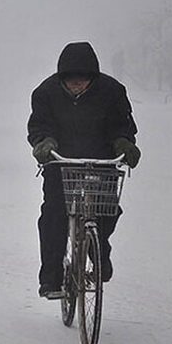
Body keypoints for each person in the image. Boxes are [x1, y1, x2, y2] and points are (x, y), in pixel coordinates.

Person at [27, 41, 141, 298]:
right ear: (62, 78)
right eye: (71, 80)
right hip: (60, 161)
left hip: (101, 160)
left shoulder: (112, 91)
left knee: (107, 210)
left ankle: (99, 250)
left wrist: (123, 142)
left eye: (83, 79)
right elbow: (39, 126)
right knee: (53, 215)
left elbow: (122, 124)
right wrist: (44, 143)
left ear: (93, 78)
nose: (77, 84)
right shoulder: (45, 93)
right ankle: (52, 278)